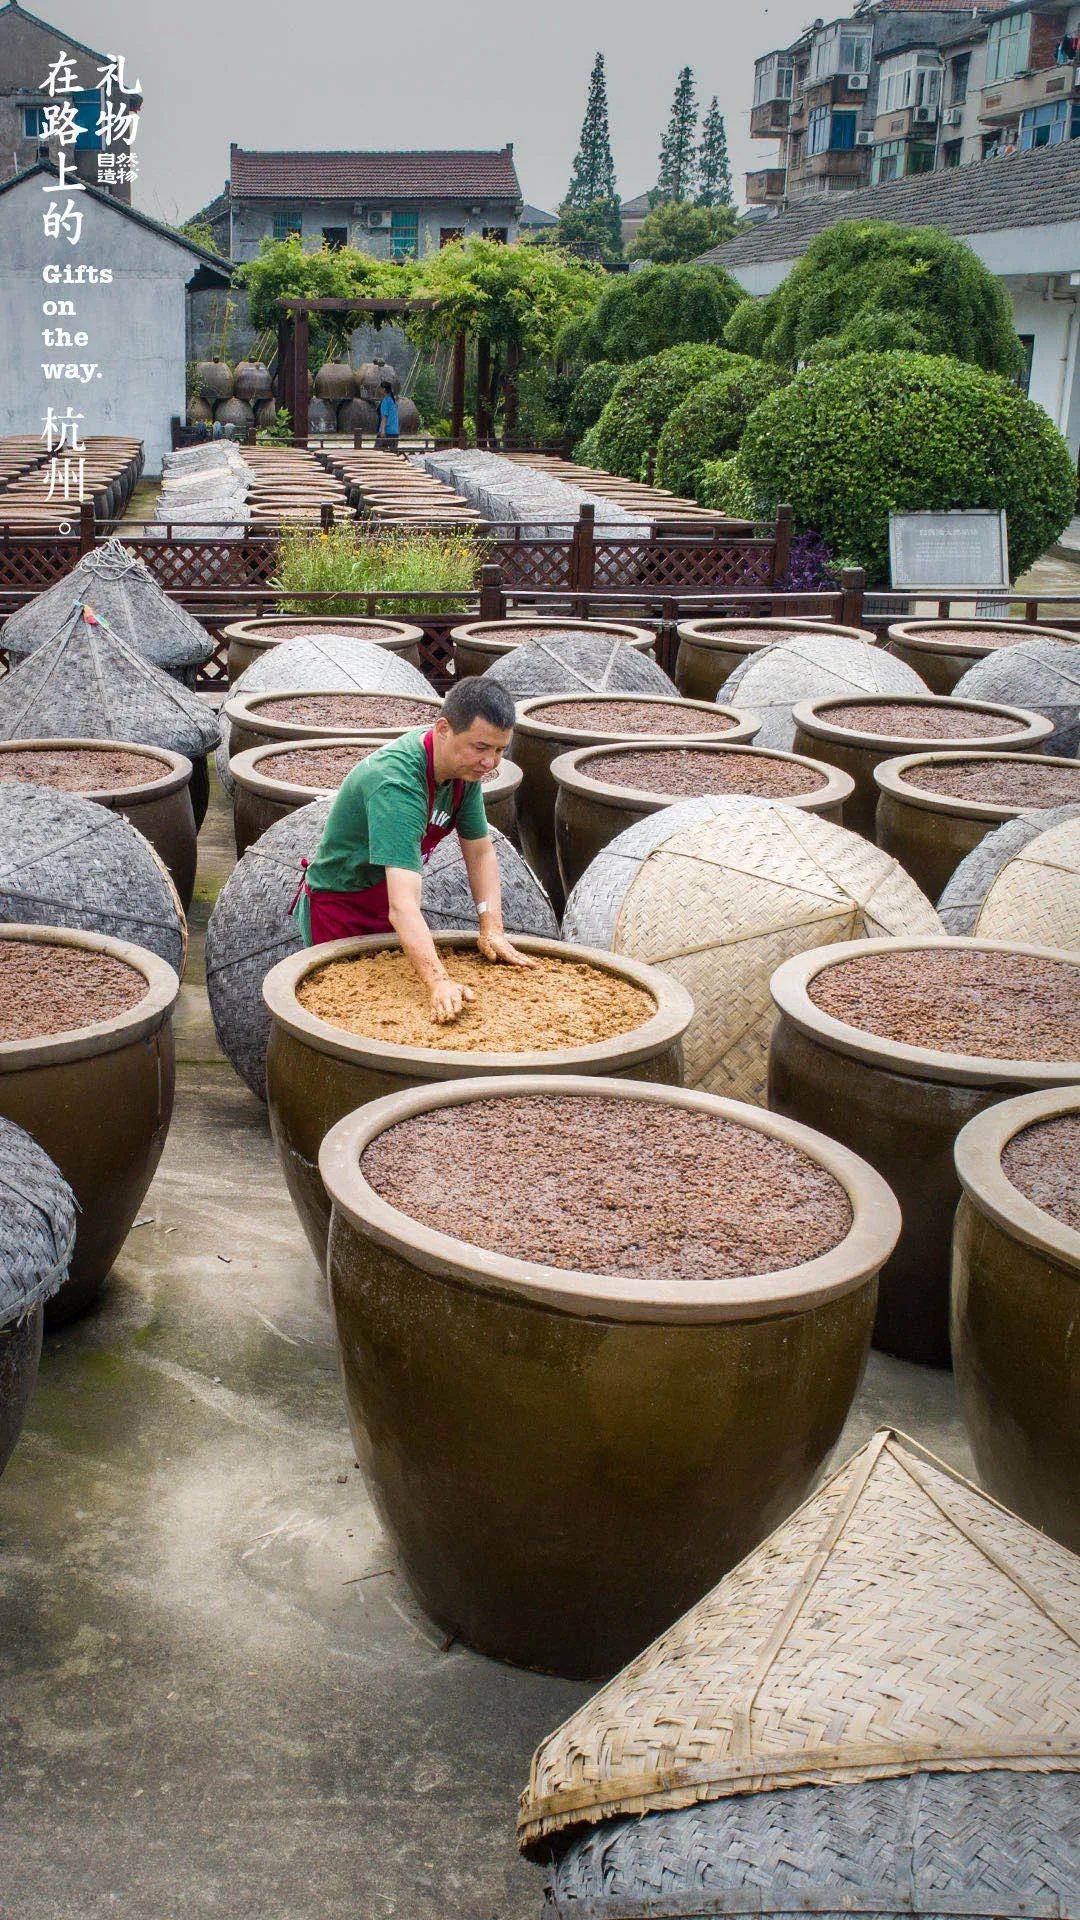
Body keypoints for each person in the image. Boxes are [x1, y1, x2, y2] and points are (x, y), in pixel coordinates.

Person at [290, 677, 535, 1023]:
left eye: (499, 750)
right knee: (351, 1014)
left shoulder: (464, 773)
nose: (489, 762)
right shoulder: (397, 783)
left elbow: (480, 851)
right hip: (341, 905)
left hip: (388, 902)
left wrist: (491, 926)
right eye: (480, 747)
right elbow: (403, 906)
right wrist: (438, 981)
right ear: (443, 729)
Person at [375, 380, 400, 452]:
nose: (379, 390)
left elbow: (384, 417)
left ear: (384, 389)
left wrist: (382, 430)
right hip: (395, 431)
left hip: (387, 431)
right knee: (393, 454)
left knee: (377, 453)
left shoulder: (385, 401)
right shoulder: (392, 400)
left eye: (380, 388)